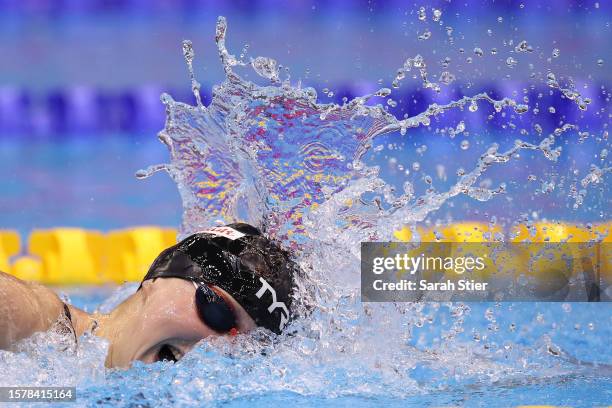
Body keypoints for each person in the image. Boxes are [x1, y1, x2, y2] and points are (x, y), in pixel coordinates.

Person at [0, 223, 299, 368]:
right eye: (217, 312)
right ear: (161, 276)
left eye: (244, 348)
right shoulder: (39, 324)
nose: (216, 347)